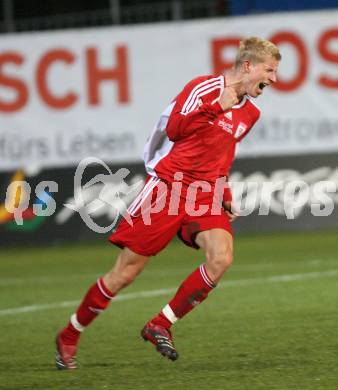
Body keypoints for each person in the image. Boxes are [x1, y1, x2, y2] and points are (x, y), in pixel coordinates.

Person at [55, 37, 281, 369]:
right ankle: (69, 336)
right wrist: (216, 105)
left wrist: (225, 194)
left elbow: (222, 157)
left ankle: (161, 323)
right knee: (125, 274)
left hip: (204, 195)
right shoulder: (203, 88)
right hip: (167, 190)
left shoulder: (251, 113)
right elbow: (175, 129)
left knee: (221, 258)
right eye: (270, 70)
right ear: (248, 66)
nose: (274, 79)